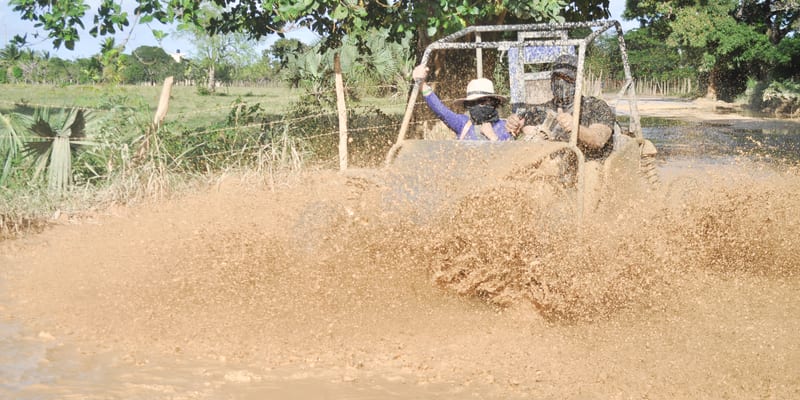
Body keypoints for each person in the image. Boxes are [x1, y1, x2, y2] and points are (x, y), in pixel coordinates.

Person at [506, 54, 615, 159]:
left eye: (567, 78)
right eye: (556, 77)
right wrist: (515, 125)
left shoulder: (595, 107)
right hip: (551, 168)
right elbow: (523, 129)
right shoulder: (538, 110)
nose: (560, 82)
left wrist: (575, 128)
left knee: (592, 168)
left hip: (586, 166)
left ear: (577, 81)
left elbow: (598, 139)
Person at [412, 64, 514, 141]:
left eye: (483, 101)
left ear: (493, 102)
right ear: (468, 105)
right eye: (473, 103)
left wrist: (493, 137)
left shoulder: (506, 126)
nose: (479, 105)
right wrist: (422, 84)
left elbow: (512, 159)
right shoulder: (462, 124)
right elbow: (440, 110)